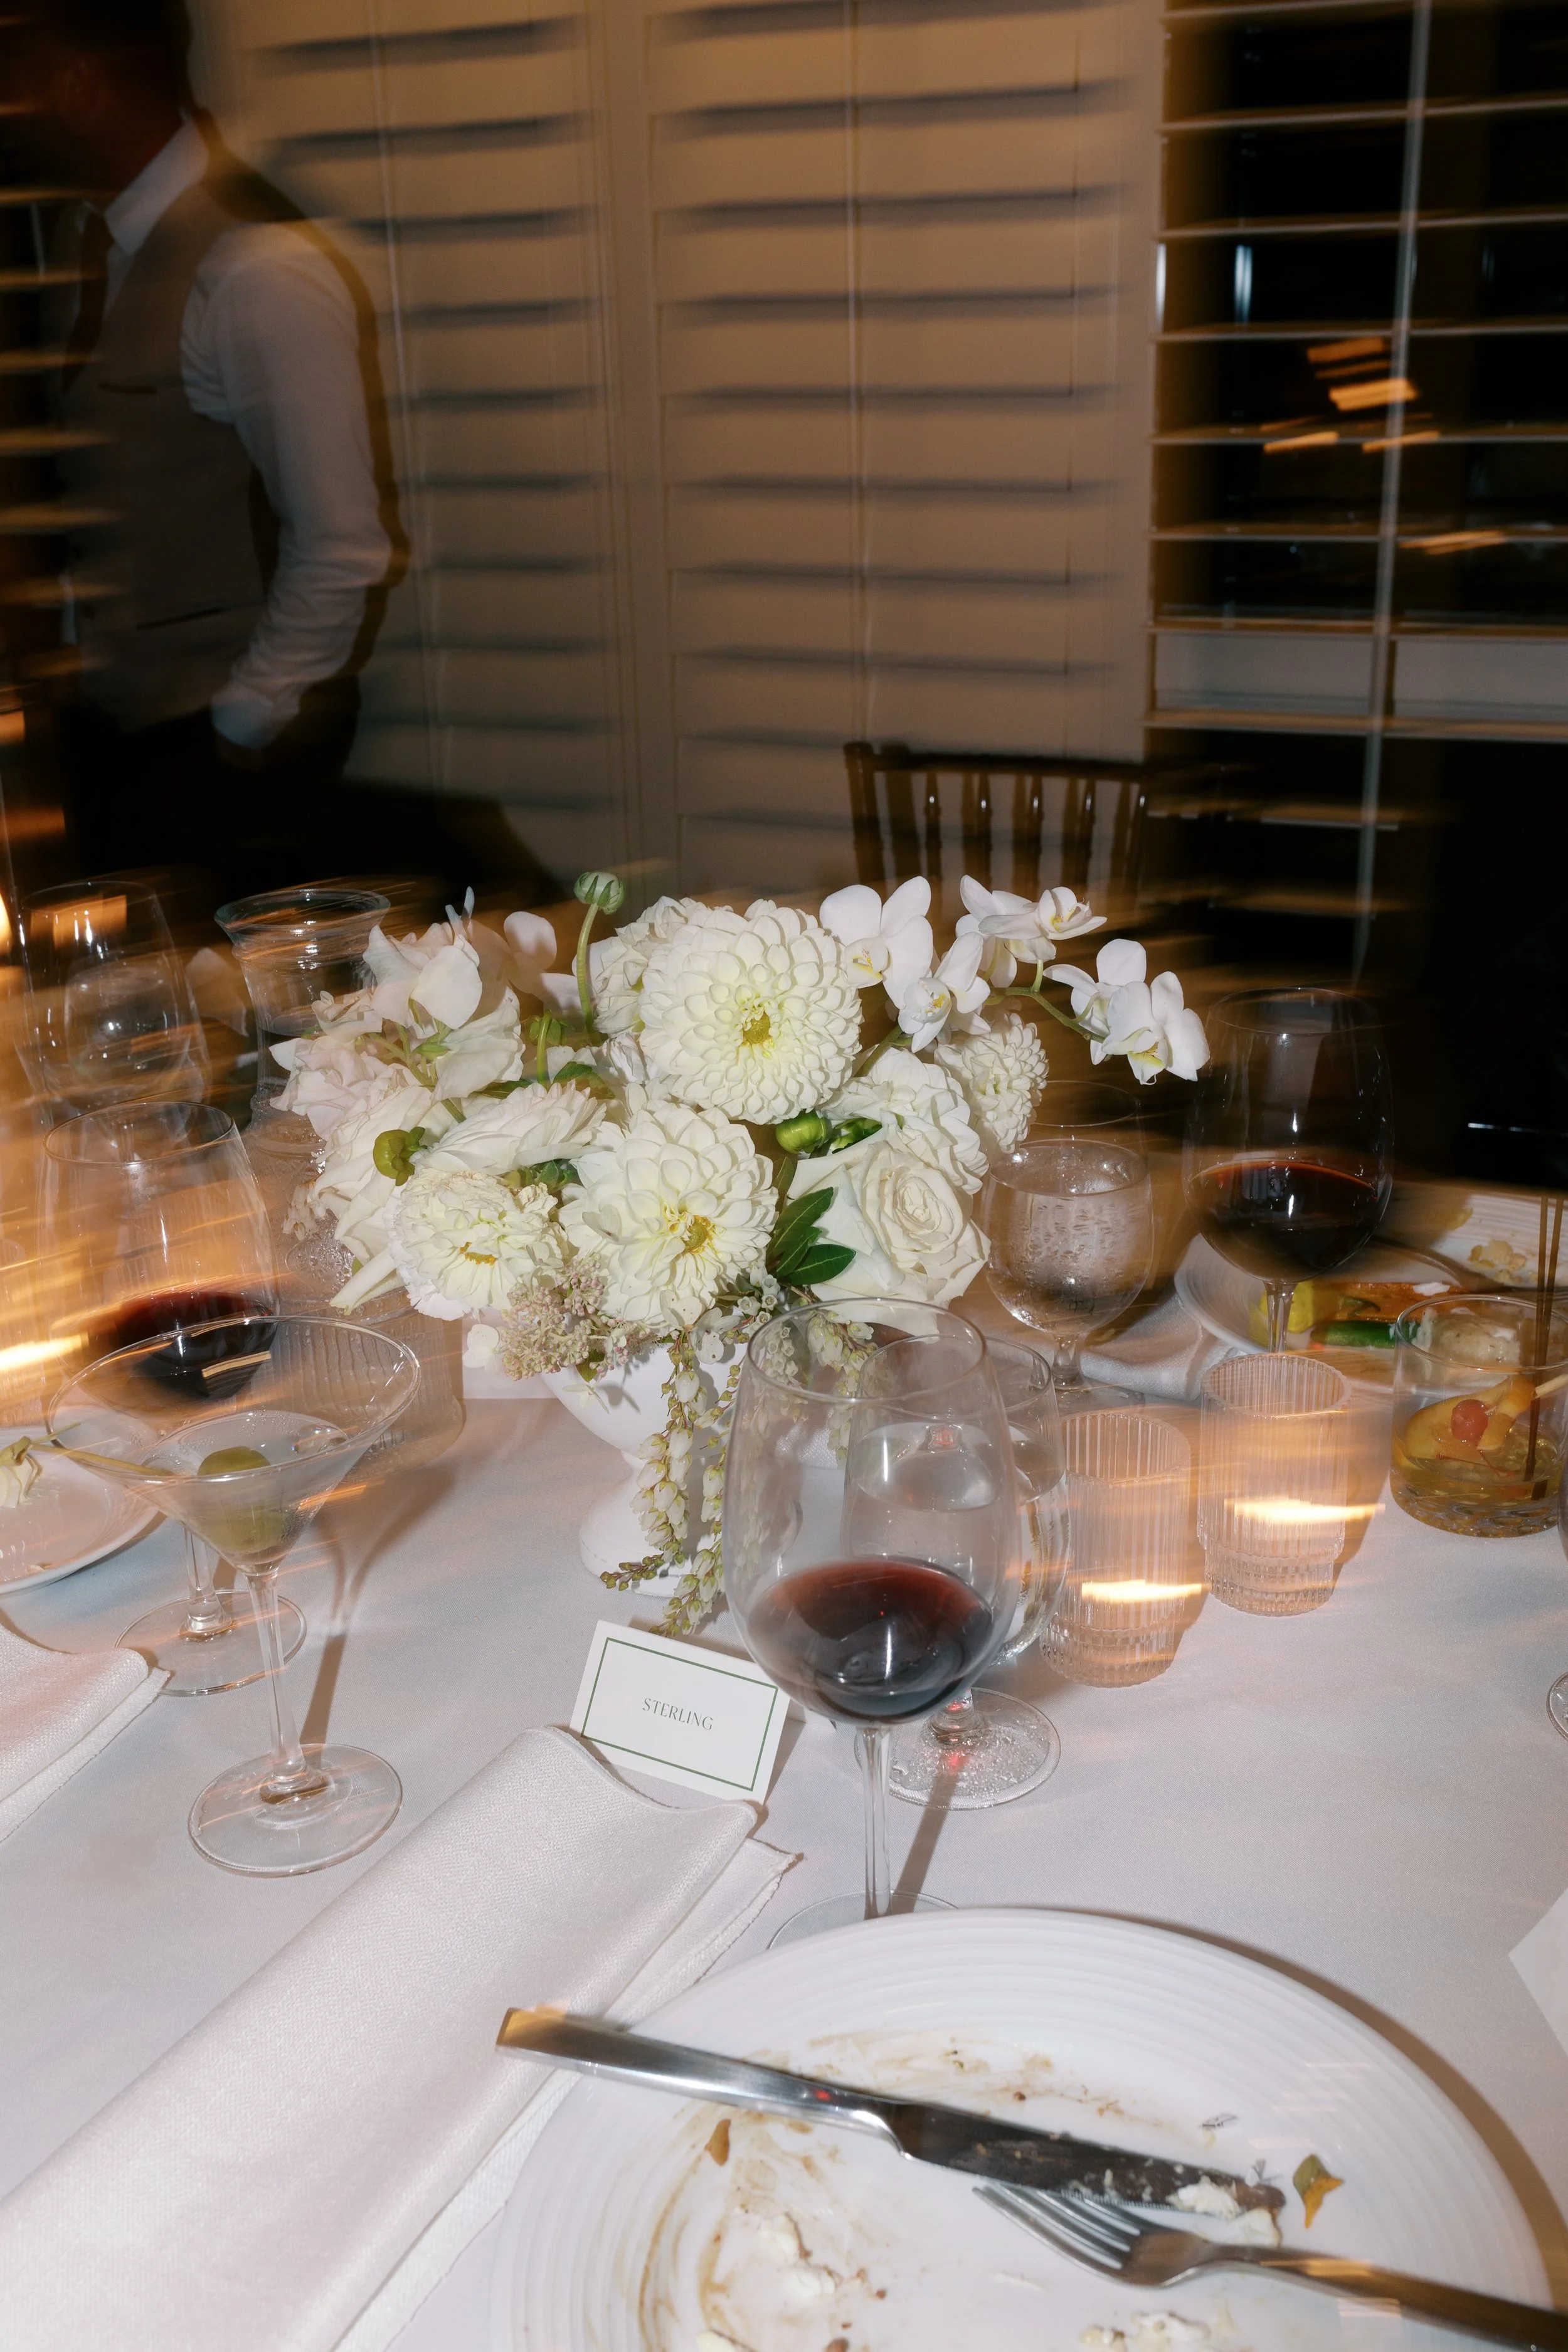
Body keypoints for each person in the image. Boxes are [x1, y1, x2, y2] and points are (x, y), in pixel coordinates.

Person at [6, 0, 398, 901]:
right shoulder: (84, 238)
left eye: (18, 80)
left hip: (217, 770)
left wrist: (238, 728)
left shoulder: (255, 265)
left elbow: (341, 546)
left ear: (80, 86)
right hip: (113, 742)